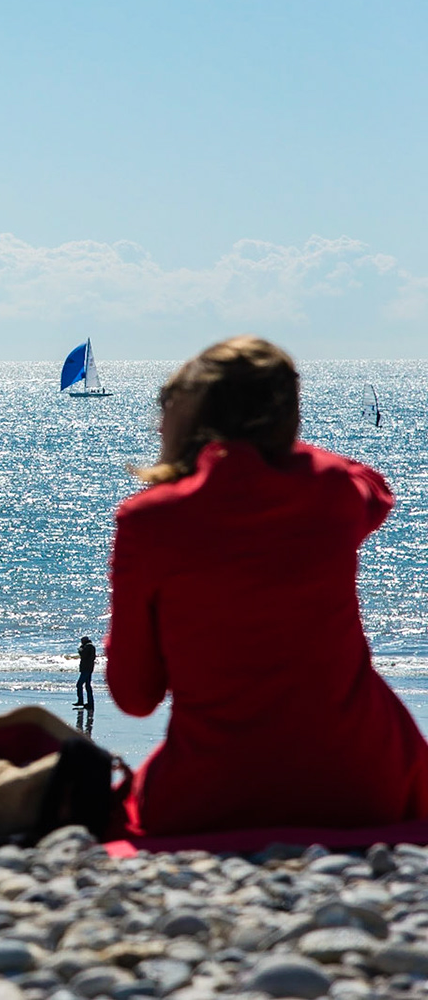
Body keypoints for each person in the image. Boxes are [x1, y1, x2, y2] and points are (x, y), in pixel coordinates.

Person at [106, 335, 428, 836]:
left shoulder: (150, 520)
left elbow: (135, 696)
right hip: (365, 785)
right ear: (288, 416)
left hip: (210, 794)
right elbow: (375, 488)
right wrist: (281, 451)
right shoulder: (334, 493)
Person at [75, 636, 96, 710]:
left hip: (86, 669)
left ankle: (81, 701)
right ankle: (90, 703)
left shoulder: (88, 647)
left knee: (79, 684)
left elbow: (83, 655)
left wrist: (80, 649)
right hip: (89, 668)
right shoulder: (90, 646)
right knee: (87, 686)